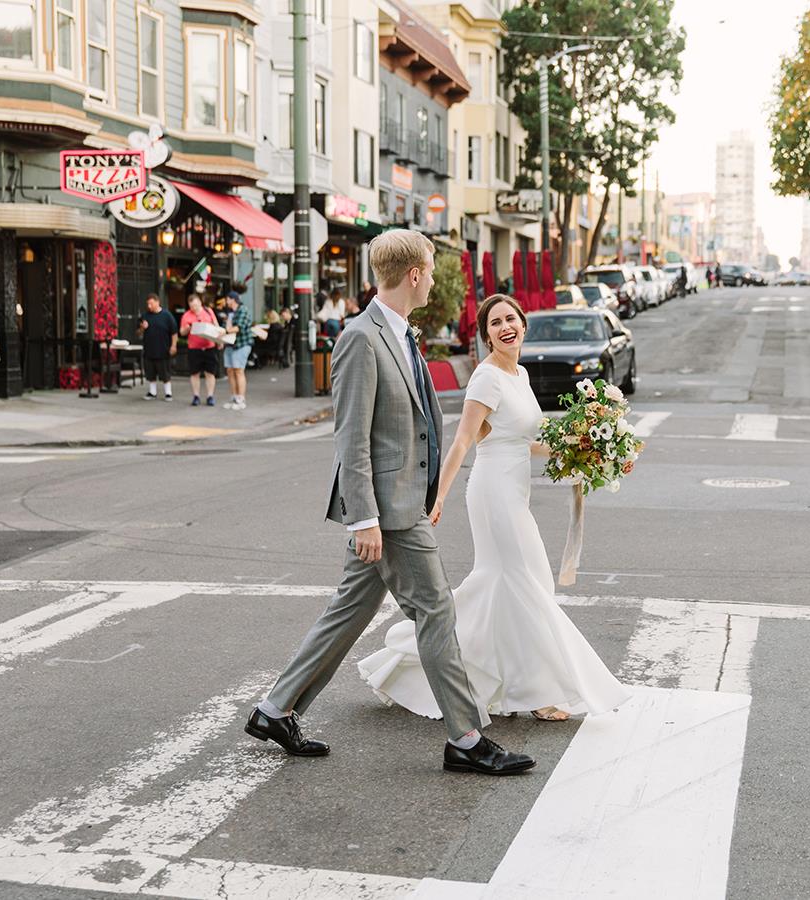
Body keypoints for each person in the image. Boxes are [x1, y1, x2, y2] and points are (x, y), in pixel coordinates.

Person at [246, 230, 534, 776]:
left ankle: (275, 709)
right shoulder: (362, 337)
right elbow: (350, 437)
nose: (432, 277)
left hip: (400, 501)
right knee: (437, 609)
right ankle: (467, 737)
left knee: (350, 609)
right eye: (430, 268)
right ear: (416, 275)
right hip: (389, 510)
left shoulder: (399, 333)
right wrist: (365, 518)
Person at [359, 293, 631, 723]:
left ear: (523, 325)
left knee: (505, 584)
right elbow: (464, 439)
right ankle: (537, 692)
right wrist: (438, 495)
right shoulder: (486, 378)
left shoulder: (518, 374)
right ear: (486, 335)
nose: (505, 327)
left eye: (511, 319)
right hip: (492, 493)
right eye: (495, 323)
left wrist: (587, 452)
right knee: (527, 583)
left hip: (514, 491)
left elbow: (526, 440)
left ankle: (417, 661)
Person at [179, 294, 219, 407]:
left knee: (210, 373)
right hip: (194, 348)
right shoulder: (186, 315)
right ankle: (196, 396)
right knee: (194, 373)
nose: (194, 309)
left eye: (196, 306)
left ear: (200, 303)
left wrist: (219, 341)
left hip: (209, 346)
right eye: (192, 307)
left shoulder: (208, 311)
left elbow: (216, 326)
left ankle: (210, 396)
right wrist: (187, 328)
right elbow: (181, 332)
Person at [138, 293, 177, 401]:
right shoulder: (145, 316)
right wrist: (142, 328)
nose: (149, 306)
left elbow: (174, 332)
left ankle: (168, 393)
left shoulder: (167, 315)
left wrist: (173, 345)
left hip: (163, 349)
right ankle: (152, 392)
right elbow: (138, 333)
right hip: (149, 349)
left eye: (151, 303)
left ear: (157, 302)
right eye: (148, 304)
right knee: (150, 373)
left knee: (165, 372)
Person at [222, 292, 252, 410]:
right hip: (230, 344)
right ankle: (234, 397)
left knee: (238, 370)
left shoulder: (243, 310)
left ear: (232, 300)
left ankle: (241, 398)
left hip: (242, 343)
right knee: (230, 370)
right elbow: (226, 326)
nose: (226, 302)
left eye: (227, 299)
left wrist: (225, 332)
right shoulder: (230, 313)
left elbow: (239, 327)